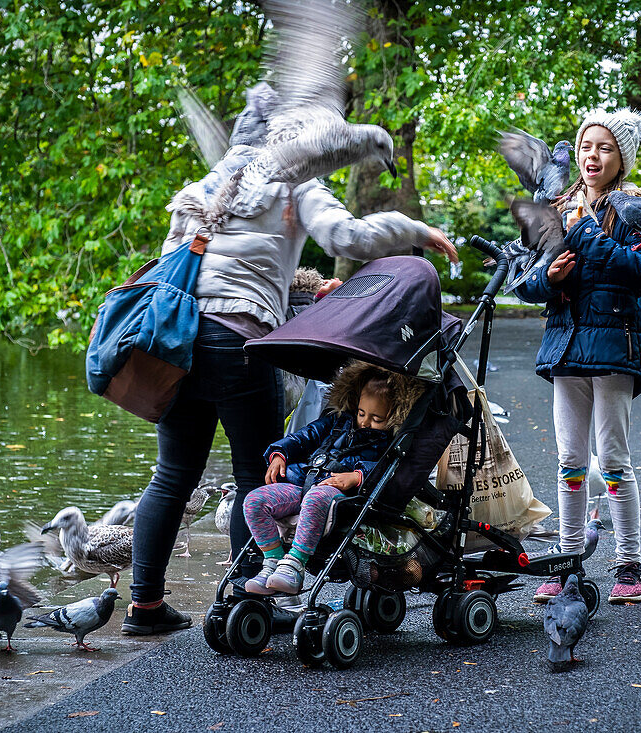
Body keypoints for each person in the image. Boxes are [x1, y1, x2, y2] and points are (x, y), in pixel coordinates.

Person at [121, 84, 458, 635]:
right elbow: (347, 237)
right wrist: (415, 231)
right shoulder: (293, 182)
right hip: (237, 343)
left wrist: (297, 293)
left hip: (177, 344)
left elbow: (189, 271)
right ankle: (250, 596)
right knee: (256, 470)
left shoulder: (202, 187)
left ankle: (145, 606)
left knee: (172, 475)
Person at [514, 107, 641, 605]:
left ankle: (629, 564)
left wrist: (587, 234)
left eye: (604, 147)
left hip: (615, 350)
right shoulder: (557, 206)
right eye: (585, 146)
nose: (592, 156)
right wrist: (548, 279)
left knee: (615, 460)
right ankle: (567, 562)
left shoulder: (637, 209)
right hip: (566, 349)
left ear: (622, 158)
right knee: (569, 462)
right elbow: (529, 283)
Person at [241, 362, 421, 594]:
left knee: (316, 497)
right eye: (361, 413)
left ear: (394, 417)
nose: (365, 422)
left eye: (377, 419)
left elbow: (388, 467)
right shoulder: (338, 421)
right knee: (254, 501)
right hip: (306, 480)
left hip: (342, 494)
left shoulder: (387, 441)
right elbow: (305, 436)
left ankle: (295, 565)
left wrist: (357, 476)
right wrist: (280, 453)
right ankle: (274, 562)